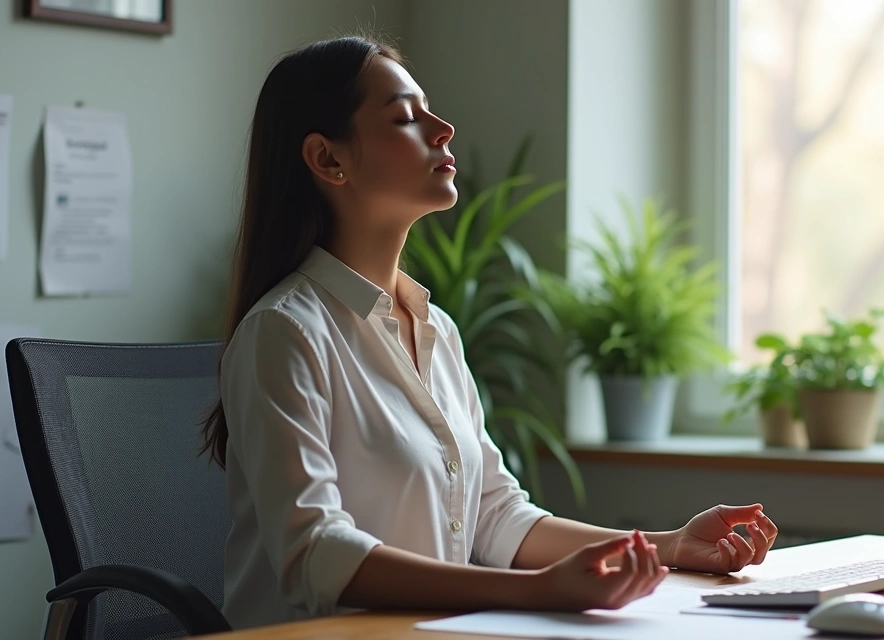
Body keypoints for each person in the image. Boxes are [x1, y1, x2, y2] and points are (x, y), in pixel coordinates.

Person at [201, 35, 778, 630]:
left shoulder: (436, 330)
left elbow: (497, 517)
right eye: (404, 116)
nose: (443, 127)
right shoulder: (285, 332)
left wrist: (670, 545)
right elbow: (314, 555)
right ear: (328, 159)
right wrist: (533, 593)